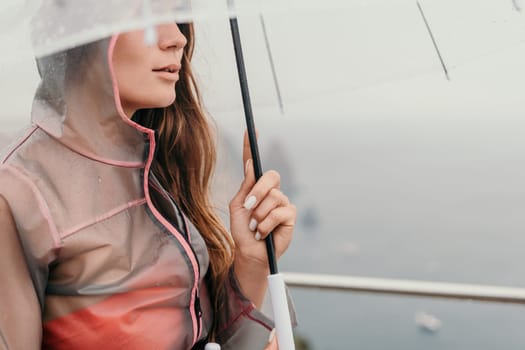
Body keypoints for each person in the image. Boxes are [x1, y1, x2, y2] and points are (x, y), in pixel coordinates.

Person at [0, 21, 296, 350]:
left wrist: (251, 262)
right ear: (82, 34)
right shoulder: (17, 192)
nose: (177, 39)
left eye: (175, 15)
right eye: (146, 17)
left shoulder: (157, 169)